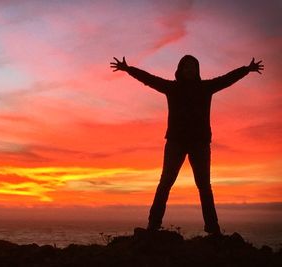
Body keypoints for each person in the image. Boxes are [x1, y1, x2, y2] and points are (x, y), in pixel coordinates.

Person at [110, 55, 264, 234]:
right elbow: (149, 79)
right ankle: (153, 225)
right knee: (166, 182)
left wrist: (246, 69)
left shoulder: (205, 87)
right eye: (187, 66)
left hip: (200, 143)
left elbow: (227, 79)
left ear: (197, 70)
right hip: (176, 141)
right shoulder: (172, 88)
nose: (190, 69)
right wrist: (129, 69)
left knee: (204, 186)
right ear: (181, 69)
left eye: (193, 66)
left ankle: (213, 229)